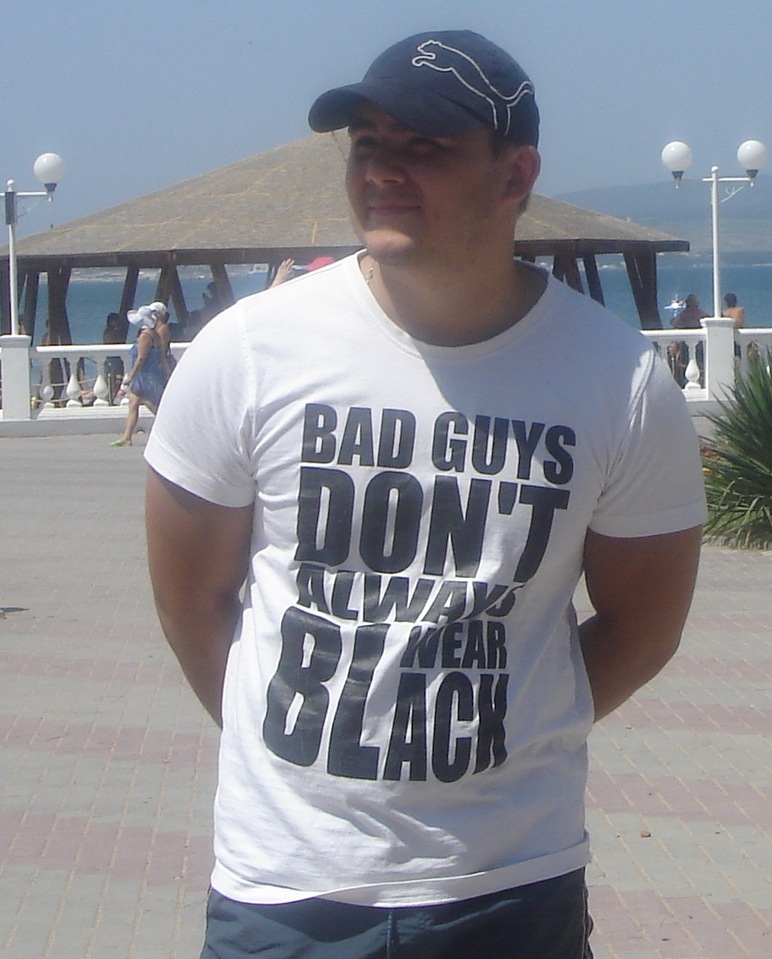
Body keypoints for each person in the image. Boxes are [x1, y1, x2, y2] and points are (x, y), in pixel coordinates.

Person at [144, 30, 706, 959]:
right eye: (367, 143)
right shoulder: (248, 352)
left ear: (515, 174)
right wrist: (299, 760)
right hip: (286, 889)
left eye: (425, 146)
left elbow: (643, 625)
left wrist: (505, 738)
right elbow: (192, 605)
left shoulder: (618, 381)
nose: (382, 169)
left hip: (508, 882)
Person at [111, 302, 172, 446]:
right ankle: (127, 436)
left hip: (145, 376)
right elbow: (161, 356)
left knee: (151, 404)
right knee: (133, 403)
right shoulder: (154, 334)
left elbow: (141, 358)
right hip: (150, 374)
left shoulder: (145, 336)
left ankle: (172, 428)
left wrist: (131, 376)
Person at [670, 293, 709, 387]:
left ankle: (685, 381)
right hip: (700, 344)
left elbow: (674, 323)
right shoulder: (702, 314)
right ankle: (701, 381)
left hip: (686, 345)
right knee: (700, 363)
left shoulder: (684, 314)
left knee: (686, 363)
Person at [102, 312, 126, 404]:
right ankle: (111, 399)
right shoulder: (109, 332)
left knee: (117, 380)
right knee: (112, 381)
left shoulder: (113, 332)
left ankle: (112, 398)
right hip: (112, 359)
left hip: (116, 359)